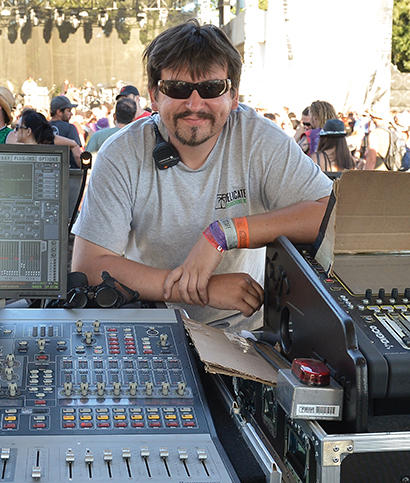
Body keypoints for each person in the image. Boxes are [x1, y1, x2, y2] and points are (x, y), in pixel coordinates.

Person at [71, 19, 331, 332]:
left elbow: (330, 214)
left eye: (211, 88)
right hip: (153, 324)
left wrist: (224, 233)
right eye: (177, 89)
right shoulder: (120, 153)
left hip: (245, 331)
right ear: (154, 96)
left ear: (233, 96)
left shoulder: (259, 140)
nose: (195, 104)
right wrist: (199, 290)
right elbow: (89, 266)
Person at [15, 108, 81, 166]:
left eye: (17, 127)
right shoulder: (49, 141)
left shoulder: (49, 140)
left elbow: (73, 144)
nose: (14, 131)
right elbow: (73, 144)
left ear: (28, 131)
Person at [49, 95, 82, 167]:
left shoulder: (43, 127)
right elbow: (77, 155)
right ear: (59, 112)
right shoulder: (70, 128)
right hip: (69, 173)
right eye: (69, 111)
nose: (71, 114)